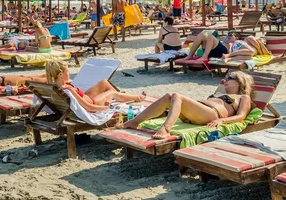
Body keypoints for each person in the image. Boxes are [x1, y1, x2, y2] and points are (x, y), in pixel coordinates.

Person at [116, 71, 254, 139]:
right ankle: (135, 122)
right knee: (168, 97)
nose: (225, 80)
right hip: (198, 113)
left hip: (211, 115)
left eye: (229, 78)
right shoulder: (218, 92)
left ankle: (166, 129)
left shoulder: (243, 97)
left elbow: (241, 116)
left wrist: (222, 120)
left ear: (239, 82)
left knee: (176, 95)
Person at [46, 60, 146, 111]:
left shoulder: (54, 86)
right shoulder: (69, 90)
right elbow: (89, 107)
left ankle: (118, 99)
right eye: (67, 71)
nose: (69, 73)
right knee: (111, 92)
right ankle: (137, 98)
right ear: (60, 74)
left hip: (87, 97)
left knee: (103, 82)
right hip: (94, 102)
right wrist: (107, 109)